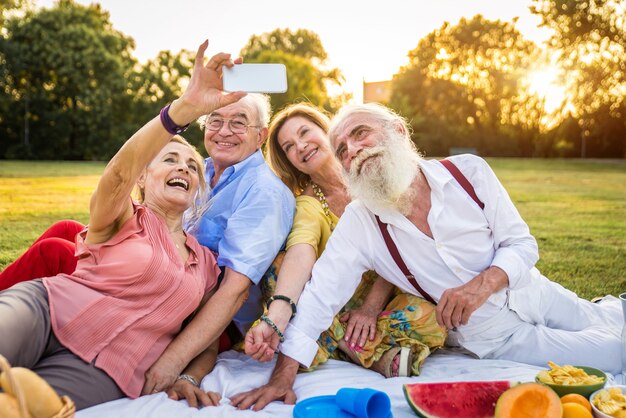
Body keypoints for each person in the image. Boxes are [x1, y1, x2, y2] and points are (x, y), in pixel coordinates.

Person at [230, 102, 624, 410]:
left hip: (533, 290)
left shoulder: (469, 172)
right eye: (344, 151)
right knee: (613, 351)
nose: (354, 151)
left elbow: (522, 245)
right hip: (497, 336)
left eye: (361, 134)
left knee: (604, 316)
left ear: (398, 131)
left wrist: (480, 285)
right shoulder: (360, 223)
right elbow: (319, 299)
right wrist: (283, 377)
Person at [0, 56, 295, 406]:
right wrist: (180, 111)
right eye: (216, 119)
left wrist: (181, 368)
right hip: (59, 307)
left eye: (239, 122)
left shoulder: (259, 197)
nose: (224, 130)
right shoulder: (191, 176)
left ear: (261, 136)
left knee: (26, 403)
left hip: (168, 332)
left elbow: (229, 295)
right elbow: (121, 175)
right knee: (65, 237)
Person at [242, 103, 446, 380]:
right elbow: (302, 249)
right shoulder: (309, 204)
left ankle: (336, 344)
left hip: (385, 292)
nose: (300, 146)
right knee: (279, 269)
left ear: (327, 132)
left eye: (305, 132)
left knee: (435, 318)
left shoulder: (376, 172)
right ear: (288, 160)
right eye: (289, 146)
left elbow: (401, 245)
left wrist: (370, 309)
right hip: (332, 299)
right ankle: (363, 350)